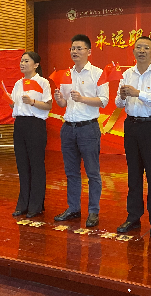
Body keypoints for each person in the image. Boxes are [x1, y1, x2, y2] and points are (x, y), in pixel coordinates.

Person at [115, 36, 151, 238]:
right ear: (133, 51)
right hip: (131, 126)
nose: (141, 51)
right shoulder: (127, 74)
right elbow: (118, 103)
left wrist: (138, 93)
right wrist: (122, 96)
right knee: (133, 173)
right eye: (138, 47)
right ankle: (133, 216)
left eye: (146, 48)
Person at [53, 34, 108, 228]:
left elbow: (104, 101)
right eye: (72, 48)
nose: (74, 52)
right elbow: (63, 104)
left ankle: (93, 211)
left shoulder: (98, 73)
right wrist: (59, 99)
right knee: (71, 172)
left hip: (88, 128)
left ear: (89, 51)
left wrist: (82, 98)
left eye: (79, 48)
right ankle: (73, 208)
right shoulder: (65, 74)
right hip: (68, 128)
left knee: (92, 173)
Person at [11, 51, 53, 219]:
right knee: (22, 165)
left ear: (36, 65)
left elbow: (48, 105)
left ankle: (36, 205)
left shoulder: (43, 82)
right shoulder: (18, 83)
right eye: (21, 61)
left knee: (36, 165)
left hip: (35, 125)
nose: (22, 63)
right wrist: (11, 103)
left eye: (26, 61)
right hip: (20, 124)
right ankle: (23, 204)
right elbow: (14, 104)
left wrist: (33, 102)